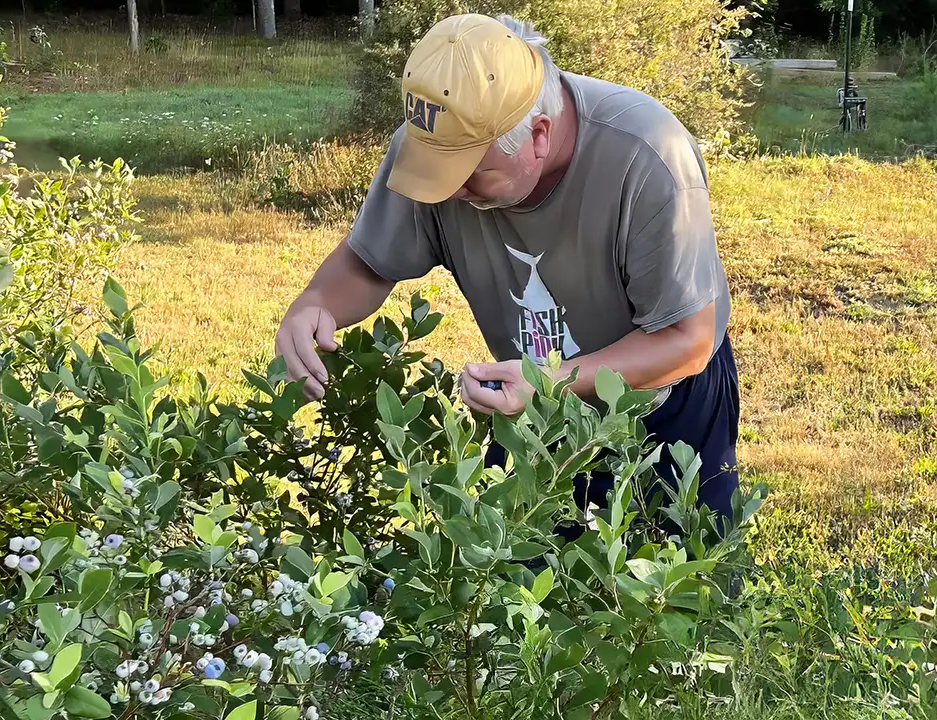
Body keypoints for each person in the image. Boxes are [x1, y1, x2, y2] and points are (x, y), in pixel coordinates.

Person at [271, 12, 740, 534]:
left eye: (469, 176)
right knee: (524, 594)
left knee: (678, 593)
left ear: (538, 135)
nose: (445, 194)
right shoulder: (438, 140)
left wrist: (550, 384)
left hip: (663, 403)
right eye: (436, 172)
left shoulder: (646, 154)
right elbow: (369, 261)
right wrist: (316, 303)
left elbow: (687, 340)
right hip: (530, 403)